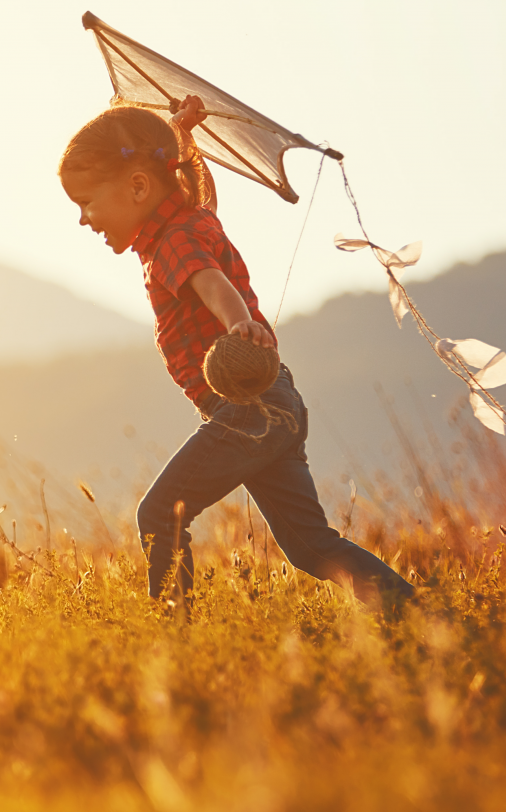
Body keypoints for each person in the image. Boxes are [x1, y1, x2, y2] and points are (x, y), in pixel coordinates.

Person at [58, 96, 414, 609]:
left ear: (138, 186)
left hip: (251, 412)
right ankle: (418, 616)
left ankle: (173, 631)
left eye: (87, 202)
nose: (84, 219)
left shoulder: (174, 243)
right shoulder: (191, 221)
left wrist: (239, 322)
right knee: (311, 546)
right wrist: (181, 138)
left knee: (160, 514)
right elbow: (198, 194)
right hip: (276, 406)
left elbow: (212, 283)